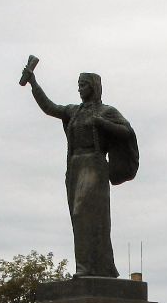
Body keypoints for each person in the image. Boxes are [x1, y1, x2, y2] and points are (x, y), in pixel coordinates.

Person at [21, 65, 138, 278]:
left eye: (83, 85)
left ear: (93, 87)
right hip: (75, 166)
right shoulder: (74, 111)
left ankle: (86, 268)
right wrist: (33, 82)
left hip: (94, 164)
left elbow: (126, 131)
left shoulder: (106, 111)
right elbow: (49, 107)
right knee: (79, 219)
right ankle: (92, 268)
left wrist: (101, 123)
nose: (79, 89)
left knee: (82, 212)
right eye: (78, 85)